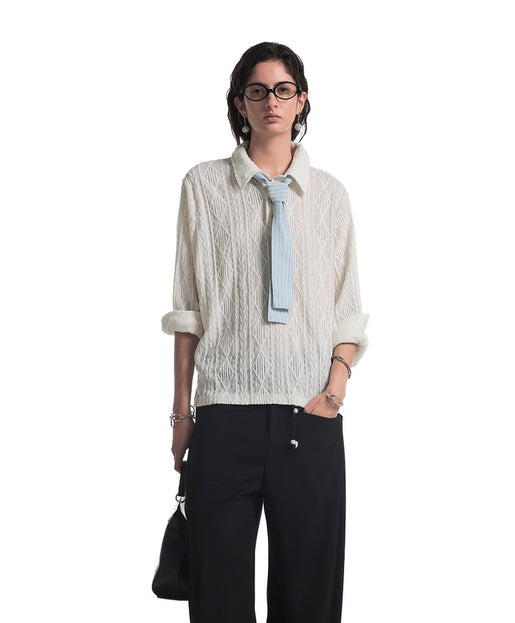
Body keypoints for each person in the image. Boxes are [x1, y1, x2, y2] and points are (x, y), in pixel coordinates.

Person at [160, 41, 369, 623]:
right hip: (224, 416)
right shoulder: (203, 186)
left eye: (283, 89)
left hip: (310, 415)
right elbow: (188, 309)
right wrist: (182, 412)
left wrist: (334, 391)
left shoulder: (330, 195)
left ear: (301, 101)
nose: (270, 101)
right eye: (257, 91)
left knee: (309, 602)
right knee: (218, 601)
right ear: (240, 103)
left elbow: (347, 307)